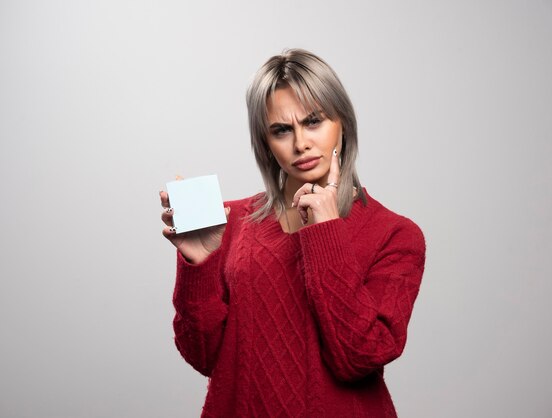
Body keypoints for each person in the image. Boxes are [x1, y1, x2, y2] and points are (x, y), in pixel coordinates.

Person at [160, 48, 426, 417]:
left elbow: (359, 358)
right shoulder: (230, 220)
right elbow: (203, 357)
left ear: (342, 124)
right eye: (282, 130)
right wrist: (199, 264)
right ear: (266, 144)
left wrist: (327, 231)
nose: (300, 143)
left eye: (314, 121)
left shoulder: (396, 235)